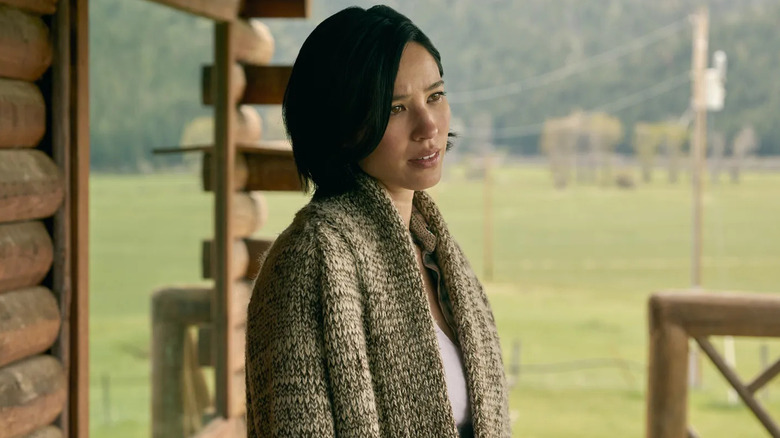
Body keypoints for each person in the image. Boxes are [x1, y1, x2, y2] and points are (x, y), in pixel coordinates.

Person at [246, 5, 510, 437]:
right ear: (343, 124)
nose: (428, 126)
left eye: (435, 96)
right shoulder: (313, 257)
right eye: (395, 109)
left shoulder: (435, 250)